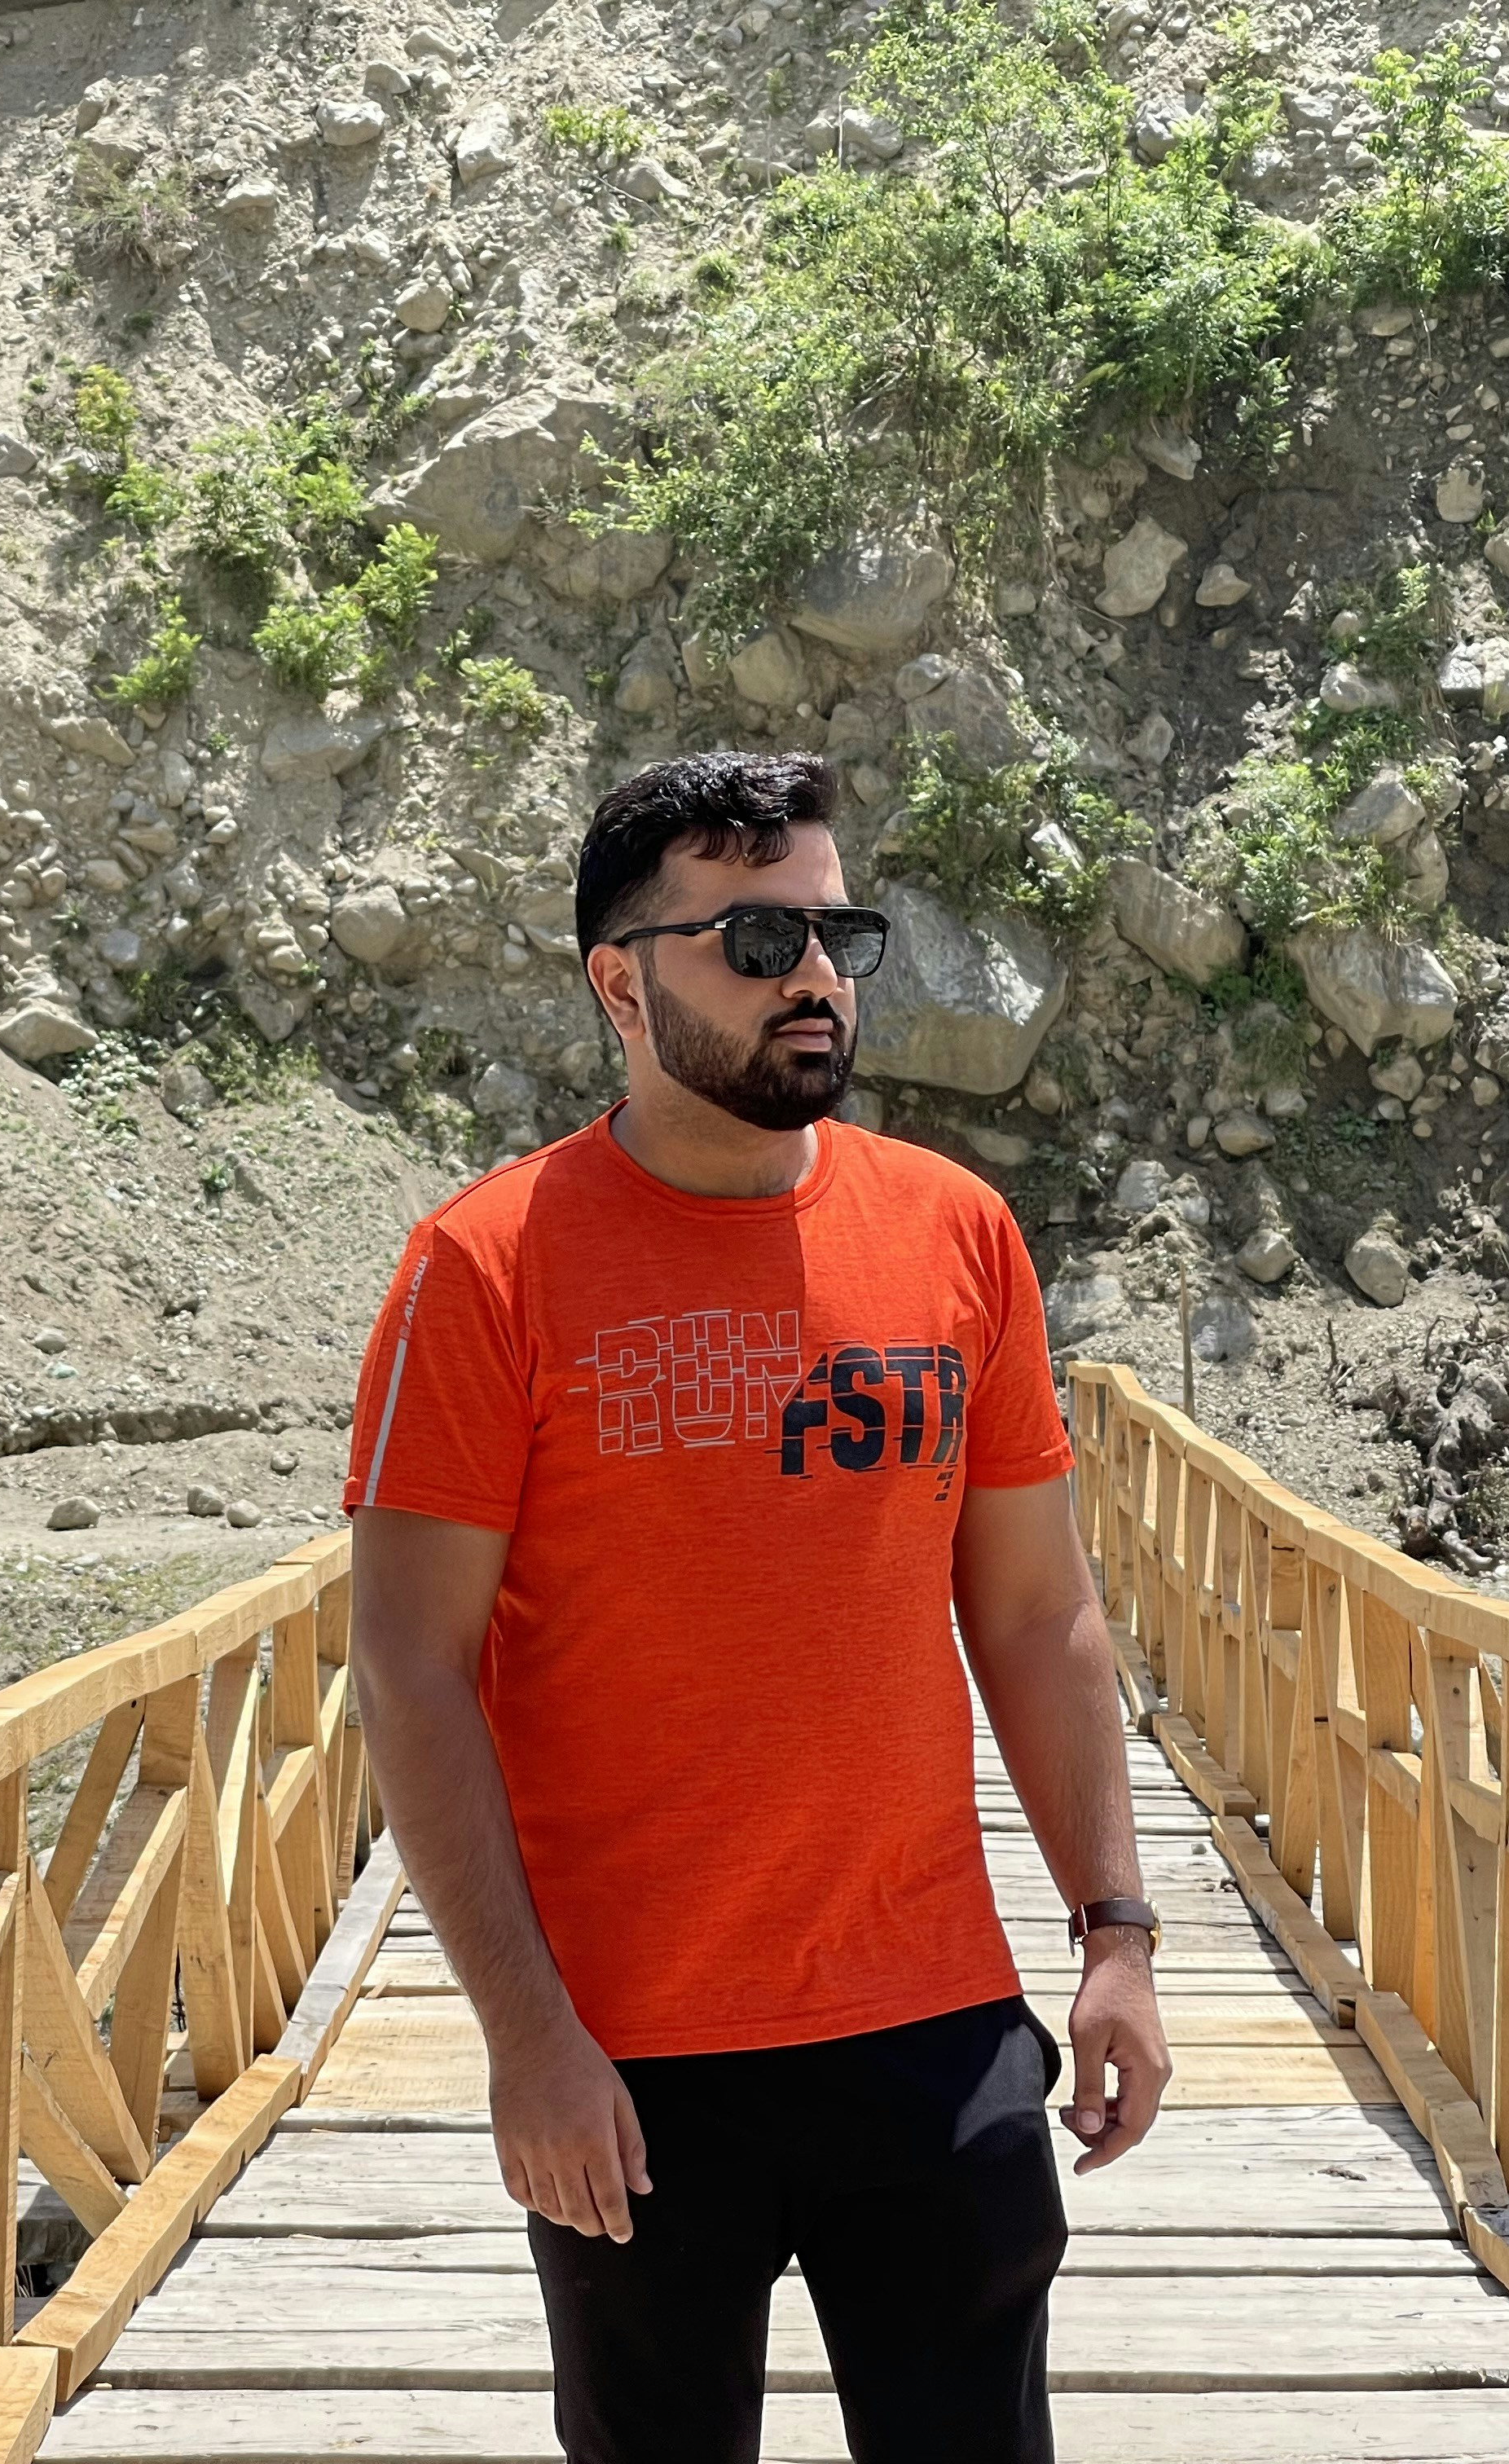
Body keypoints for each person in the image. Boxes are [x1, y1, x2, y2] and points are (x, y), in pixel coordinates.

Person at [341, 750, 1171, 2464]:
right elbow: (411, 1670)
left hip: (931, 2025)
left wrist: (1114, 1935)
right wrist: (527, 2040)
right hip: (627, 2062)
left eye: (834, 933)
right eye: (754, 938)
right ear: (618, 981)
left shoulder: (958, 1233)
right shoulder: (483, 1268)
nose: (813, 975)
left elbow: (1038, 1616)